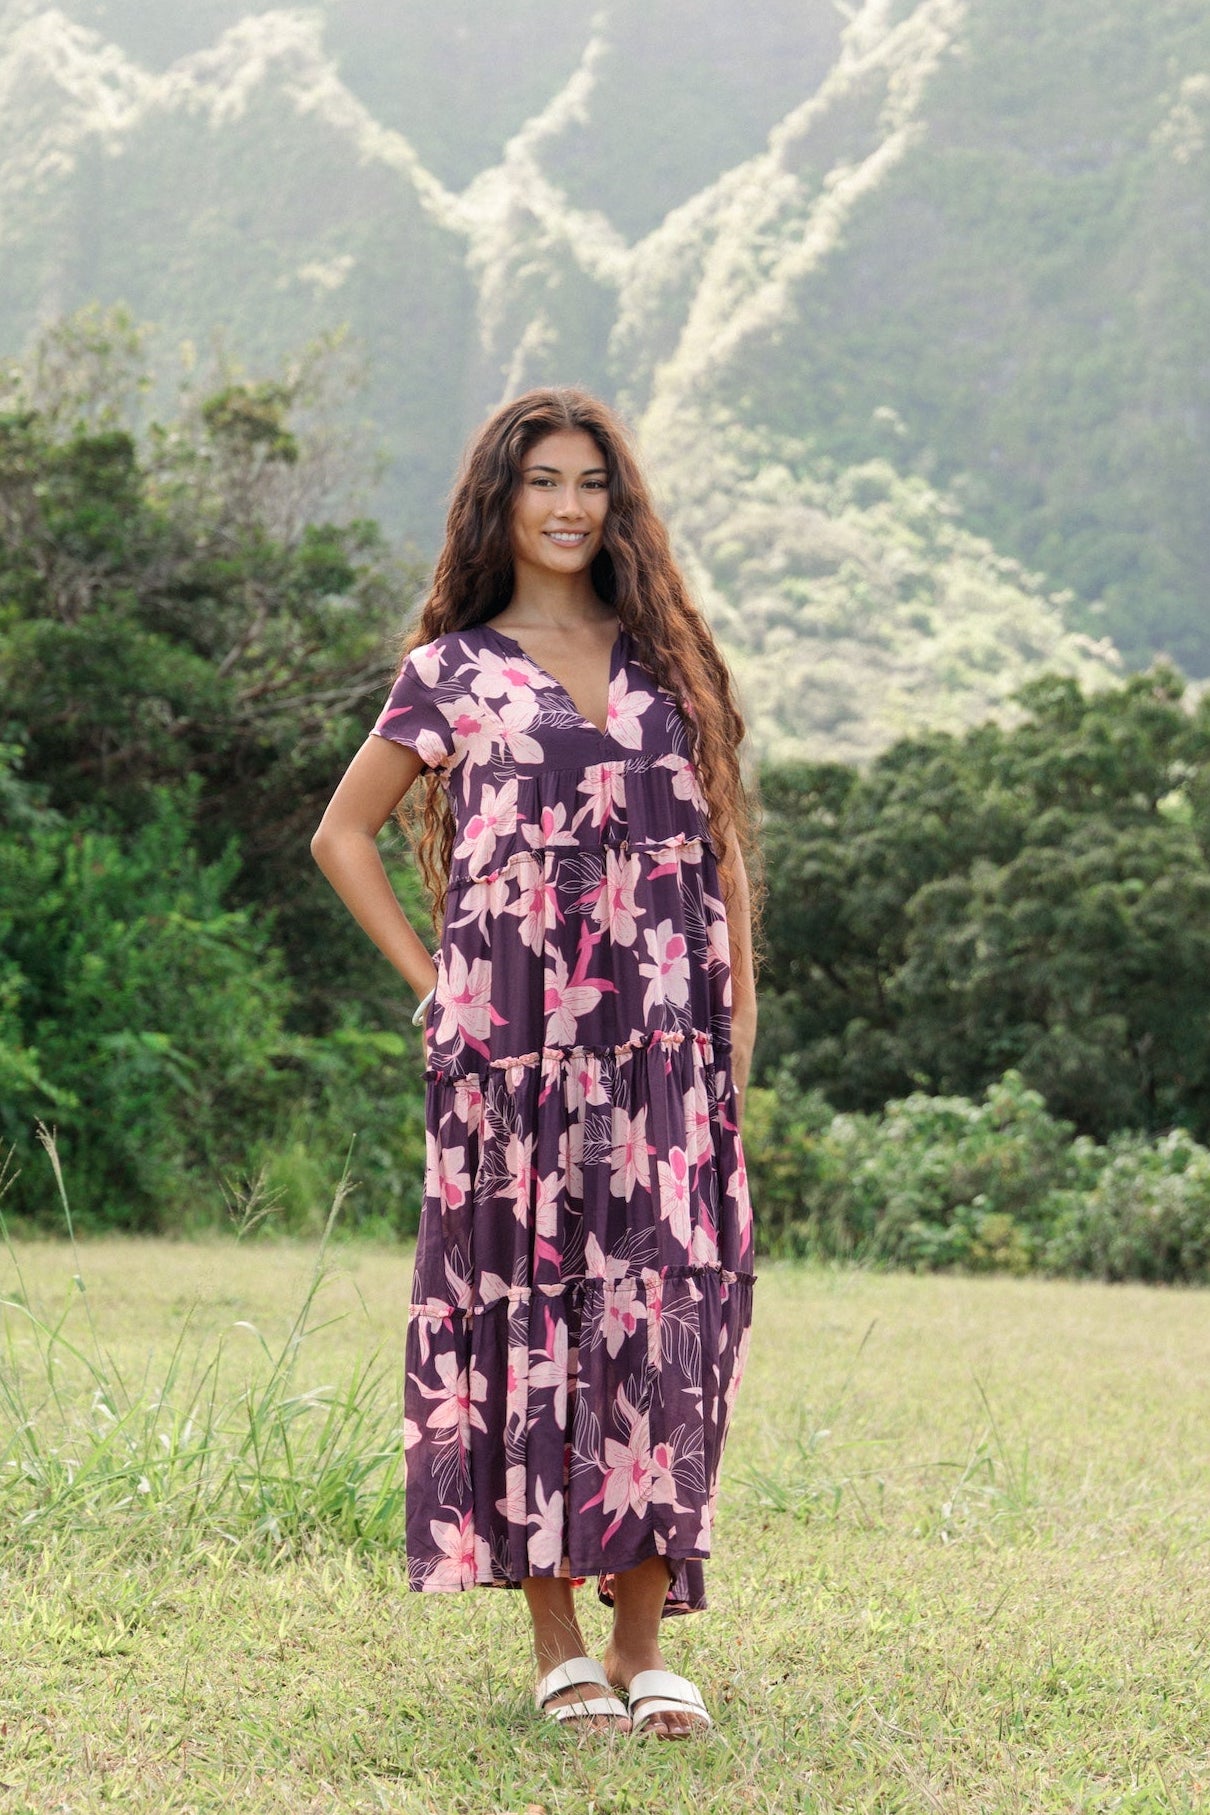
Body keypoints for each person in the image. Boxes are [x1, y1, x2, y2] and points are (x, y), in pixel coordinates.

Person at [311, 387, 757, 1739]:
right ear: (499, 501)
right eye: (540, 482)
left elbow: (721, 844)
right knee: (527, 1318)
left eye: (590, 484)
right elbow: (343, 837)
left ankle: (643, 1643)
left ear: (615, 506)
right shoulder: (451, 670)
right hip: (510, 1056)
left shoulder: (668, 661)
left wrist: (734, 1022)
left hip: (663, 1053)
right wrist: (439, 987)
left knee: (660, 1321)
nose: (567, 506)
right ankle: (556, 1642)